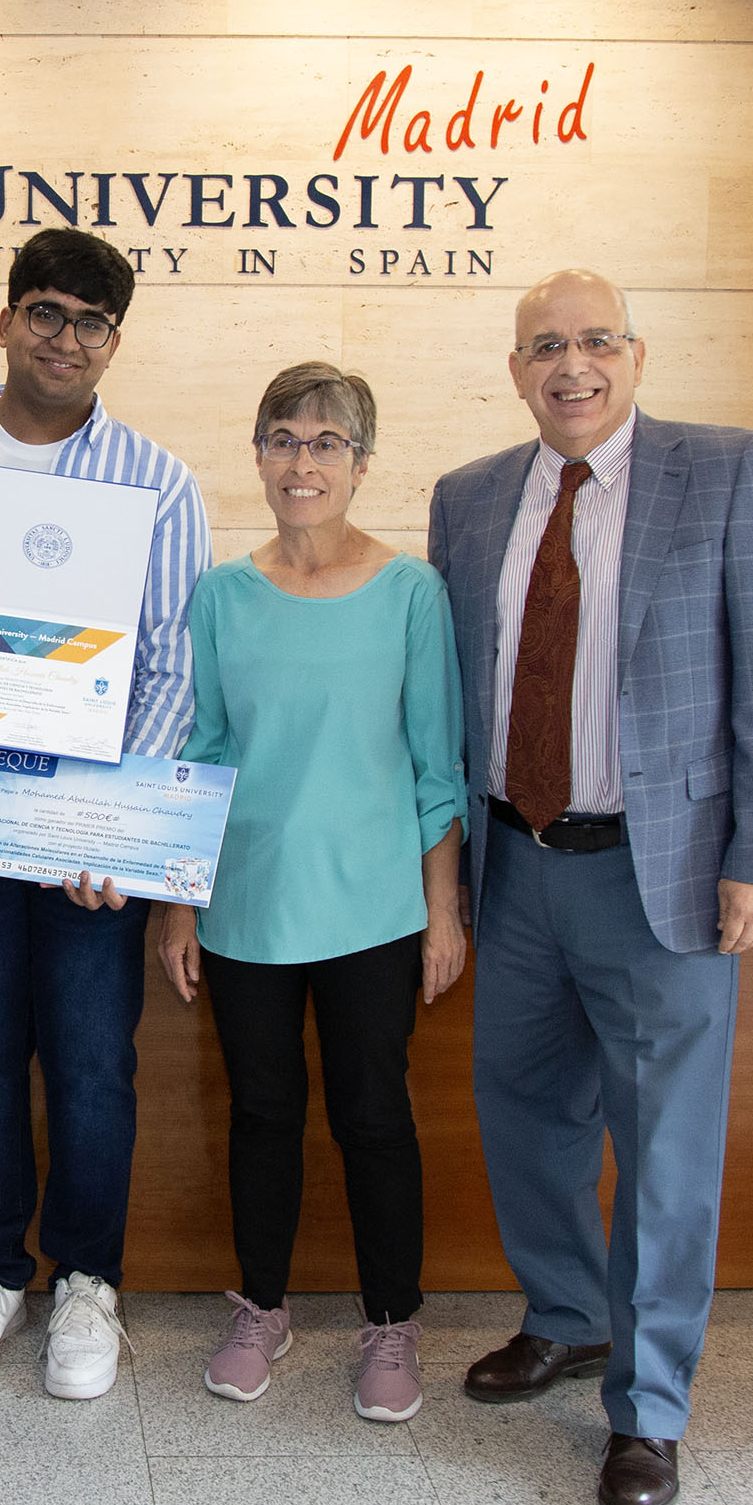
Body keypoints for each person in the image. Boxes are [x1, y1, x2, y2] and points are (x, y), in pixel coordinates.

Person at [428, 269, 753, 1505]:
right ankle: (564, 1315)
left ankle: (646, 1410)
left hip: (669, 876)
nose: (570, 365)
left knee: (662, 1158)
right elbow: (456, 691)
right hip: (515, 863)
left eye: (594, 341)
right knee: (526, 1116)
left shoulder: (723, 469)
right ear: (513, 368)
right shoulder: (470, 500)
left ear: (635, 356)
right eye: (545, 345)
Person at [0, 227, 209, 1400]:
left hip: (82, 840)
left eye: (91, 322)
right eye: (46, 312)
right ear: (7, 317)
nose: (65, 340)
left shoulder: (157, 481)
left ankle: (87, 1282)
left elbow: (170, 671)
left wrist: (109, 824)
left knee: (88, 1065)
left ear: (115, 341)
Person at [156, 362, 464, 1423]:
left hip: (374, 910)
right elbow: (197, 753)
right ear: (256, 456)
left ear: (360, 463)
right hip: (247, 900)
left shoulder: (411, 592)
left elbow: (436, 768)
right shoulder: (219, 595)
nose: (301, 460)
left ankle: (390, 1322)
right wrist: (175, 898)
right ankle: (262, 1307)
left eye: (325, 441)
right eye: (282, 438)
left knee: (373, 1115)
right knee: (261, 1112)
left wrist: (444, 909)